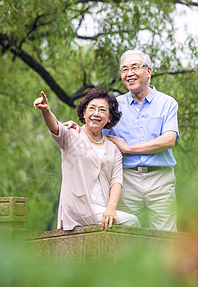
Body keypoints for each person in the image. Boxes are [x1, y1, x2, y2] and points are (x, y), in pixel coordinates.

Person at [65, 50, 179, 231]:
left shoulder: (167, 103)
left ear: (148, 71)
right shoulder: (115, 106)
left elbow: (169, 140)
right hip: (127, 180)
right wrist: (78, 128)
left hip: (160, 179)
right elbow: (96, 129)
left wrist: (129, 148)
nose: (129, 73)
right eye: (124, 69)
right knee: (125, 235)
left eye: (135, 67)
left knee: (166, 237)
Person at [33, 88, 140, 231]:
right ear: (84, 113)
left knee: (123, 224)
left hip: (103, 209)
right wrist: (45, 110)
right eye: (92, 109)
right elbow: (56, 127)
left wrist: (111, 208)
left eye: (102, 110)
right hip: (77, 209)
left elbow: (116, 180)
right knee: (132, 221)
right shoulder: (73, 135)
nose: (96, 113)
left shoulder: (113, 148)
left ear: (109, 117)